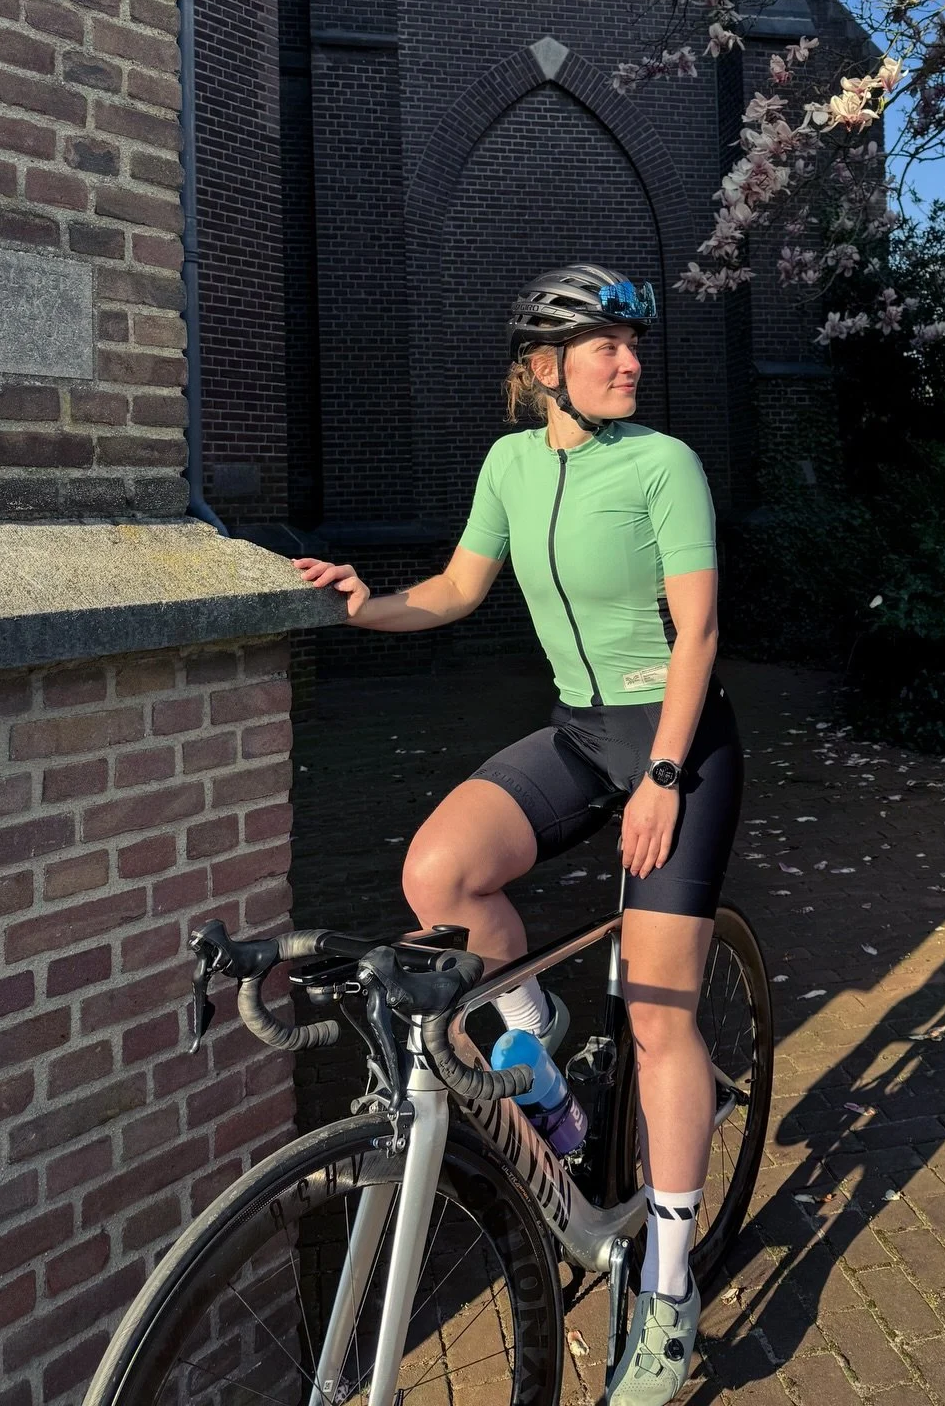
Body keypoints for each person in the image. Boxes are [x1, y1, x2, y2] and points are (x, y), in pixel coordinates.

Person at [294, 263, 744, 1406]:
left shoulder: (663, 464)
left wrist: (662, 776)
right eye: (604, 347)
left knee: (660, 1017)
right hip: (582, 731)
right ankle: (538, 1050)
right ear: (544, 368)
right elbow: (456, 589)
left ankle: (669, 1289)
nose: (629, 362)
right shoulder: (508, 465)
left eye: (632, 345)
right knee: (440, 871)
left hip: (678, 740)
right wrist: (365, 604)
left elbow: (696, 636)